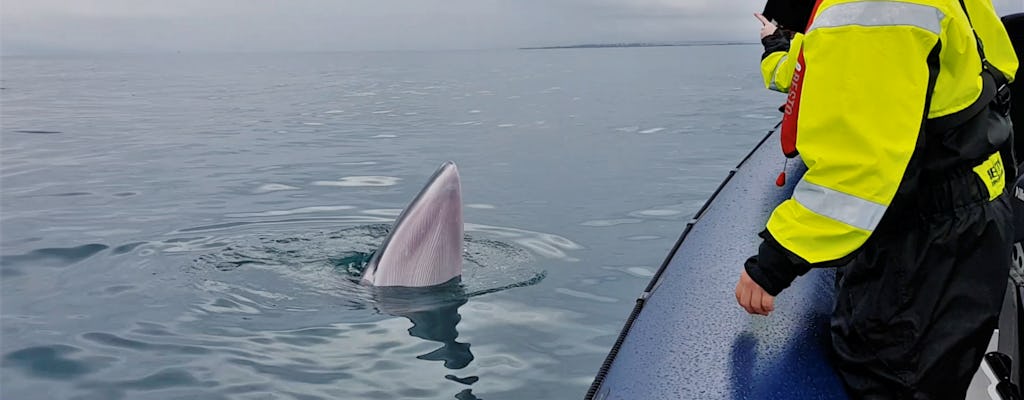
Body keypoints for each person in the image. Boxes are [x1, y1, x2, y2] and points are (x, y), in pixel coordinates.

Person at [734, 0, 1018, 397]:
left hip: (923, 245)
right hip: (977, 212)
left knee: (891, 383)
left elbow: (857, 168)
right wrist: (777, 45)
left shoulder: (871, 8)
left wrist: (771, 264)